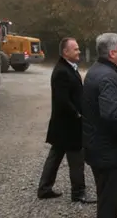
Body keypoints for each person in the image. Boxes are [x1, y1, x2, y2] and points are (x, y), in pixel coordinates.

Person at [82, 33, 117, 218]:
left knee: (105, 197)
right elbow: (111, 114)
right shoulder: (107, 77)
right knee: (109, 204)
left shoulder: (98, 70)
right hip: (108, 152)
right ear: (113, 53)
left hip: (99, 148)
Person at [37, 37, 95, 204]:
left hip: (62, 125)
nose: (79, 51)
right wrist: (78, 115)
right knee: (76, 159)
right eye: (75, 49)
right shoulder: (62, 71)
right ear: (65, 52)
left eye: (78, 48)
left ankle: (44, 189)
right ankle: (78, 193)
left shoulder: (69, 68)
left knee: (55, 157)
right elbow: (62, 100)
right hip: (69, 125)